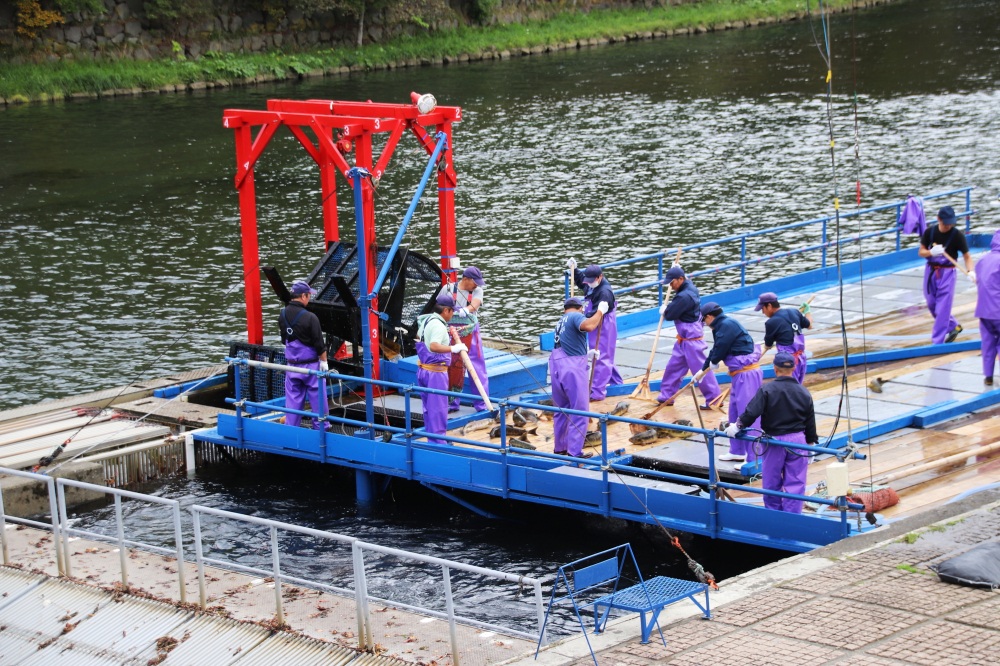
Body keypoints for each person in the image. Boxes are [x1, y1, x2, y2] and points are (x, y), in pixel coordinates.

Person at [725, 352, 819, 513]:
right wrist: (810, 442)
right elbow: (810, 420)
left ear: (775, 369)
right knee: (796, 482)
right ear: (794, 367)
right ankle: (792, 518)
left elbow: (751, 412)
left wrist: (736, 426)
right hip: (798, 440)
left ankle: (773, 515)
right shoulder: (804, 392)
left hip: (774, 441)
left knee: (771, 481)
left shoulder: (767, 390)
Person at [701, 302, 763, 465]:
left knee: (748, 414)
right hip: (737, 376)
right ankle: (737, 451)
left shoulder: (726, 325)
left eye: (704, 321)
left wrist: (714, 361)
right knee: (734, 413)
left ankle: (754, 457)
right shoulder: (721, 325)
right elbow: (716, 349)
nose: (705, 325)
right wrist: (703, 368)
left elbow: (721, 348)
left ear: (709, 317)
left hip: (746, 374)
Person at [656, 266, 722, 407]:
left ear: (681, 279)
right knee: (674, 367)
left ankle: (715, 399)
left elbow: (671, 314)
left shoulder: (685, 296)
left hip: (692, 340)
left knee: (701, 371)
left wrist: (665, 311)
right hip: (683, 339)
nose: (671, 286)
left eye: (672, 282)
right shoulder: (688, 287)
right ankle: (666, 396)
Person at [549, 296, 606, 459]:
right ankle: (574, 452)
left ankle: (560, 448)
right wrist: (600, 311)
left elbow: (568, 344)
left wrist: (586, 353)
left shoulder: (560, 321)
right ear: (580, 308)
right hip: (572, 368)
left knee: (561, 410)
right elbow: (589, 325)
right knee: (579, 410)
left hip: (556, 366)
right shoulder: (575, 316)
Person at [565, 259, 623, 401]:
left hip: (603, 322)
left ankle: (597, 391)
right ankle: (616, 382)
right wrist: (575, 270)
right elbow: (581, 282)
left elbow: (597, 313)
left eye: (591, 280)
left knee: (602, 356)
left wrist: (581, 316)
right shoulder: (591, 284)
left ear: (600, 277)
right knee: (603, 354)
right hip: (594, 318)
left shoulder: (605, 292)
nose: (589, 283)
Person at [415, 292, 467, 444]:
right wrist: (453, 348)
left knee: (428, 408)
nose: (453, 315)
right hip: (436, 373)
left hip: (423, 370)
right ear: (446, 311)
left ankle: (432, 438)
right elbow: (434, 346)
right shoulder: (439, 326)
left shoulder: (426, 320)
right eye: (452, 311)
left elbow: (420, 339)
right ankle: (439, 442)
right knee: (438, 408)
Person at [919, 205, 976, 344]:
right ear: (939, 219)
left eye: (951, 223)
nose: (948, 226)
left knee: (942, 308)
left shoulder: (957, 235)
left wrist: (970, 271)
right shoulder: (929, 233)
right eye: (946, 223)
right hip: (931, 272)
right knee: (932, 305)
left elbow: (967, 257)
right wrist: (931, 252)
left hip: (947, 273)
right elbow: (921, 252)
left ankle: (937, 342)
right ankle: (953, 326)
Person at [279, 280, 329, 431]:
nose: (309, 299)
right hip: (310, 366)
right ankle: (321, 427)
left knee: (293, 399)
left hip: (292, 365)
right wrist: (324, 363)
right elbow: (319, 344)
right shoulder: (310, 317)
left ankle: (291, 429)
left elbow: (284, 339)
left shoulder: (282, 314)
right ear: (303, 296)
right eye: (309, 296)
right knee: (317, 396)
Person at [447, 266, 490, 412]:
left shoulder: (477, 290)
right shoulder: (448, 288)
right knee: (453, 367)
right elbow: (439, 306)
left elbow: (475, 304)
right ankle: (452, 403)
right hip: (452, 331)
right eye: (475, 281)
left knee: (477, 367)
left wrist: (466, 310)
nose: (477, 284)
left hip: (471, 332)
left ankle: (482, 404)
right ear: (466, 279)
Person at [756, 292, 813, 384]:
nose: (763, 312)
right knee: (798, 386)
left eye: (763, 309)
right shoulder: (794, 312)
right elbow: (809, 325)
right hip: (801, 358)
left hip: (786, 363)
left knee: (789, 387)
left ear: (769, 306)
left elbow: (768, 345)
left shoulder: (771, 323)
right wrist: (807, 312)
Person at [975, 229, 1000, 385]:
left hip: (984, 310)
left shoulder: (983, 260)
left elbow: (980, 281)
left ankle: (988, 377)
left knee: (988, 343)